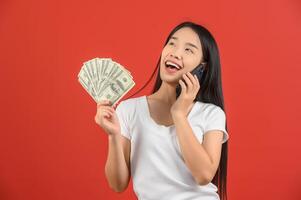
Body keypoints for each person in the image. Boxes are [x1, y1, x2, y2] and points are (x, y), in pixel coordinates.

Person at [95, 21, 229, 200]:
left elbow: (204, 175)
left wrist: (179, 114)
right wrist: (113, 135)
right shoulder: (129, 110)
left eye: (188, 50)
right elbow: (117, 184)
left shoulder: (211, 114)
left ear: (202, 68)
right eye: (172, 43)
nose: (175, 52)